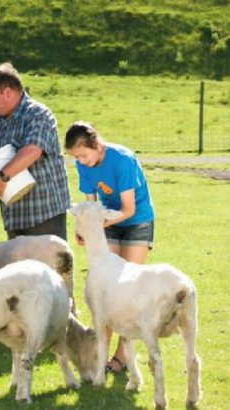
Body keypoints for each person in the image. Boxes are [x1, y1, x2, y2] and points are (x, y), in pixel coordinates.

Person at [65, 121, 155, 374]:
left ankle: (121, 357)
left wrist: (98, 222)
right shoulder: (84, 165)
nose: (81, 161)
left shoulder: (122, 159)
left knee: (128, 288)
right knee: (106, 288)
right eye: (76, 157)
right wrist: (84, 227)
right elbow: (89, 206)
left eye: (84, 155)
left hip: (136, 222)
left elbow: (129, 209)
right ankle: (98, 353)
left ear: (96, 145)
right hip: (109, 221)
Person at [0, 62, 71, 240]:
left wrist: (2, 176)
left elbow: (32, 151)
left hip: (43, 211)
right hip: (13, 213)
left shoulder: (38, 114)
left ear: (7, 92)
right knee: (18, 268)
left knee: (47, 267)